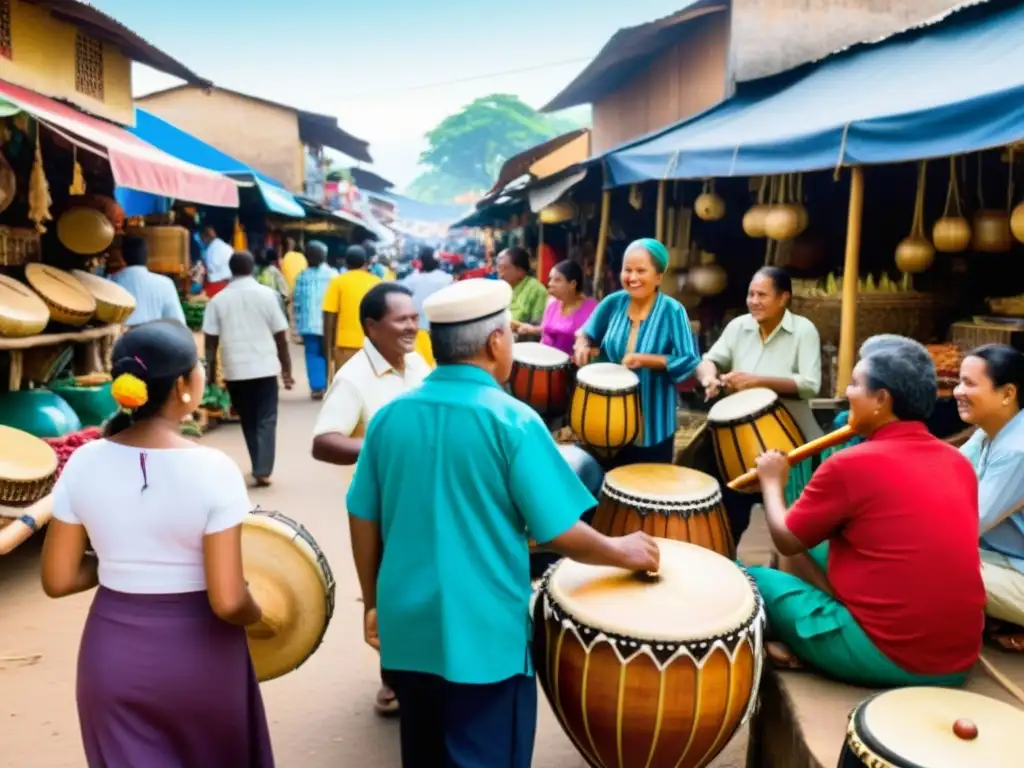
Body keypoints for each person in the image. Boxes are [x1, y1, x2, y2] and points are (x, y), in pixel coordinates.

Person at [346, 278, 660, 767]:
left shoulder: (389, 418)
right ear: (496, 342)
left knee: (423, 752)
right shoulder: (513, 421)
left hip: (408, 628)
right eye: (509, 335)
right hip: (486, 637)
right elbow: (558, 531)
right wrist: (623, 550)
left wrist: (373, 602)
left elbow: (362, 514)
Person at [40, 320, 274, 767]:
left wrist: (116, 560)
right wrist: (261, 613)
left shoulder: (84, 462)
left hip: (112, 658)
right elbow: (227, 600)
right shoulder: (214, 469)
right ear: (185, 388)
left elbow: (59, 578)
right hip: (201, 655)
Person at [747, 335, 985, 687]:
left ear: (881, 400)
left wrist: (771, 482)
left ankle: (806, 636)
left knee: (751, 579)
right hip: (959, 657)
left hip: (892, 658)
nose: (846, 392)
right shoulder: (958, 462)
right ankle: (809, 626)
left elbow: (785, 539)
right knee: (814, 540)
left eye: (856, 384)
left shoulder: (849, 464)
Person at [312, 282, 430, 716]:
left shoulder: (418, 363)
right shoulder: (354, 378)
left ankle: (419, 670)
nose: (412, 327)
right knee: (384, 588)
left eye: (415, 318)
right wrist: (384, 444)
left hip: (424, 497)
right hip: (380, 506)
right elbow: (323, 442)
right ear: (371, 326)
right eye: (402, 320)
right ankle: (391, 676)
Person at [694, 266, 822, 543]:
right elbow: (708, 360)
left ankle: (793, 578)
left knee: (792, 523)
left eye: (762, 295)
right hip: (738, 441)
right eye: (751, 294)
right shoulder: (738, 327)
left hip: (791, 441)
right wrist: (709, 379)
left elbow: (810, 384)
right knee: (731, 519)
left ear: (783, 298)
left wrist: (758, 381)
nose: (753, 301)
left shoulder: (803, 330)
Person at [572, 238, 700, 466]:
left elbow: (689, 360)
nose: (632, 277)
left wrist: (646, 360)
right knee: (609, 486)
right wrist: (581, 344)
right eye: (627, 270)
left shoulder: (673, 311)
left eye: (641, 270)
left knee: (645, 488)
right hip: (608, 416)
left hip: (652, 421)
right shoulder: (614, 302)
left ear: (659, 276)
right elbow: (586, 332)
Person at [203, 252, 293, 487]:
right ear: (253, 268)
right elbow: (281, 337)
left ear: (231, 270)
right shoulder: (268, 296)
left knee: (248, 419)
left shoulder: (217, 300)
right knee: (266, 417)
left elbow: (210, 343)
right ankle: (262, 468)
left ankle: (259, 464)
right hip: (264, 367)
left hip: (236, 370)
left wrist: (211, 377)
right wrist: (286, 370)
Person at [955, 344, 1024, 651]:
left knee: (926, 563)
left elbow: (966, 525)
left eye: (969, 383)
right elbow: (947, 472)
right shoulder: (990, 430)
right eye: (959, 381)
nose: (958, 391)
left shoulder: (1018, 449)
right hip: (1008, 561)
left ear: (1007, 394)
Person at [322, 245, 381, 380]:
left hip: (345, 346)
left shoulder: (337, 282)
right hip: (372, 346)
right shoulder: (377, 283)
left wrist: (328, 351)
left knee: (345, 388)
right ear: (366, 262)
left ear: (346, 263)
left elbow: (329, 318)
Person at [516, 260, 596, 356]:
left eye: (557, 280)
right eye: (550, 279)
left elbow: (593, 343)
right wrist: (532, 329)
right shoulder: (551, 302)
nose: (550, 284)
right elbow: (549, 329)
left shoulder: (591, 308)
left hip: (571, 366)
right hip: (544, 359)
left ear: (573, 284)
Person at [108, 236, 187, 327]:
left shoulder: (110, 283)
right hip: (155, 338)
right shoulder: (166, 284)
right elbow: (179, 325)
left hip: (120, 339)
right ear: (147, 257)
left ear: (122, 258)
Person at [292, 241, 337, 399]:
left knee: (312, 354)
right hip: (329, 324)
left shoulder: (302, 276)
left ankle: (317, 387)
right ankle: (329, 384)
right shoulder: (333, 275)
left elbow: (296, 303)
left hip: (308, 325)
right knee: (328, 354)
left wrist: (296, 327)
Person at [401, 245, 453, 368]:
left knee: (419, 365)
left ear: (421, 262)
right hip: (442, 329)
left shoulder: (411, 281)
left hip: (418, 329)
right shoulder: (446, 279)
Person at [497, 247, 548, 332]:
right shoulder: (501, 288)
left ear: (520, 271)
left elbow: (540, 328)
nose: (500, 274)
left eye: (505, 268)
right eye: (499, 268)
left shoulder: (537, 290)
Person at [200, 226, 233, 297]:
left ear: (205, 237)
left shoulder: (211, 250)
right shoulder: (225, 246)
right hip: (230, 281)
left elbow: (211, 271)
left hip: (219, 283)